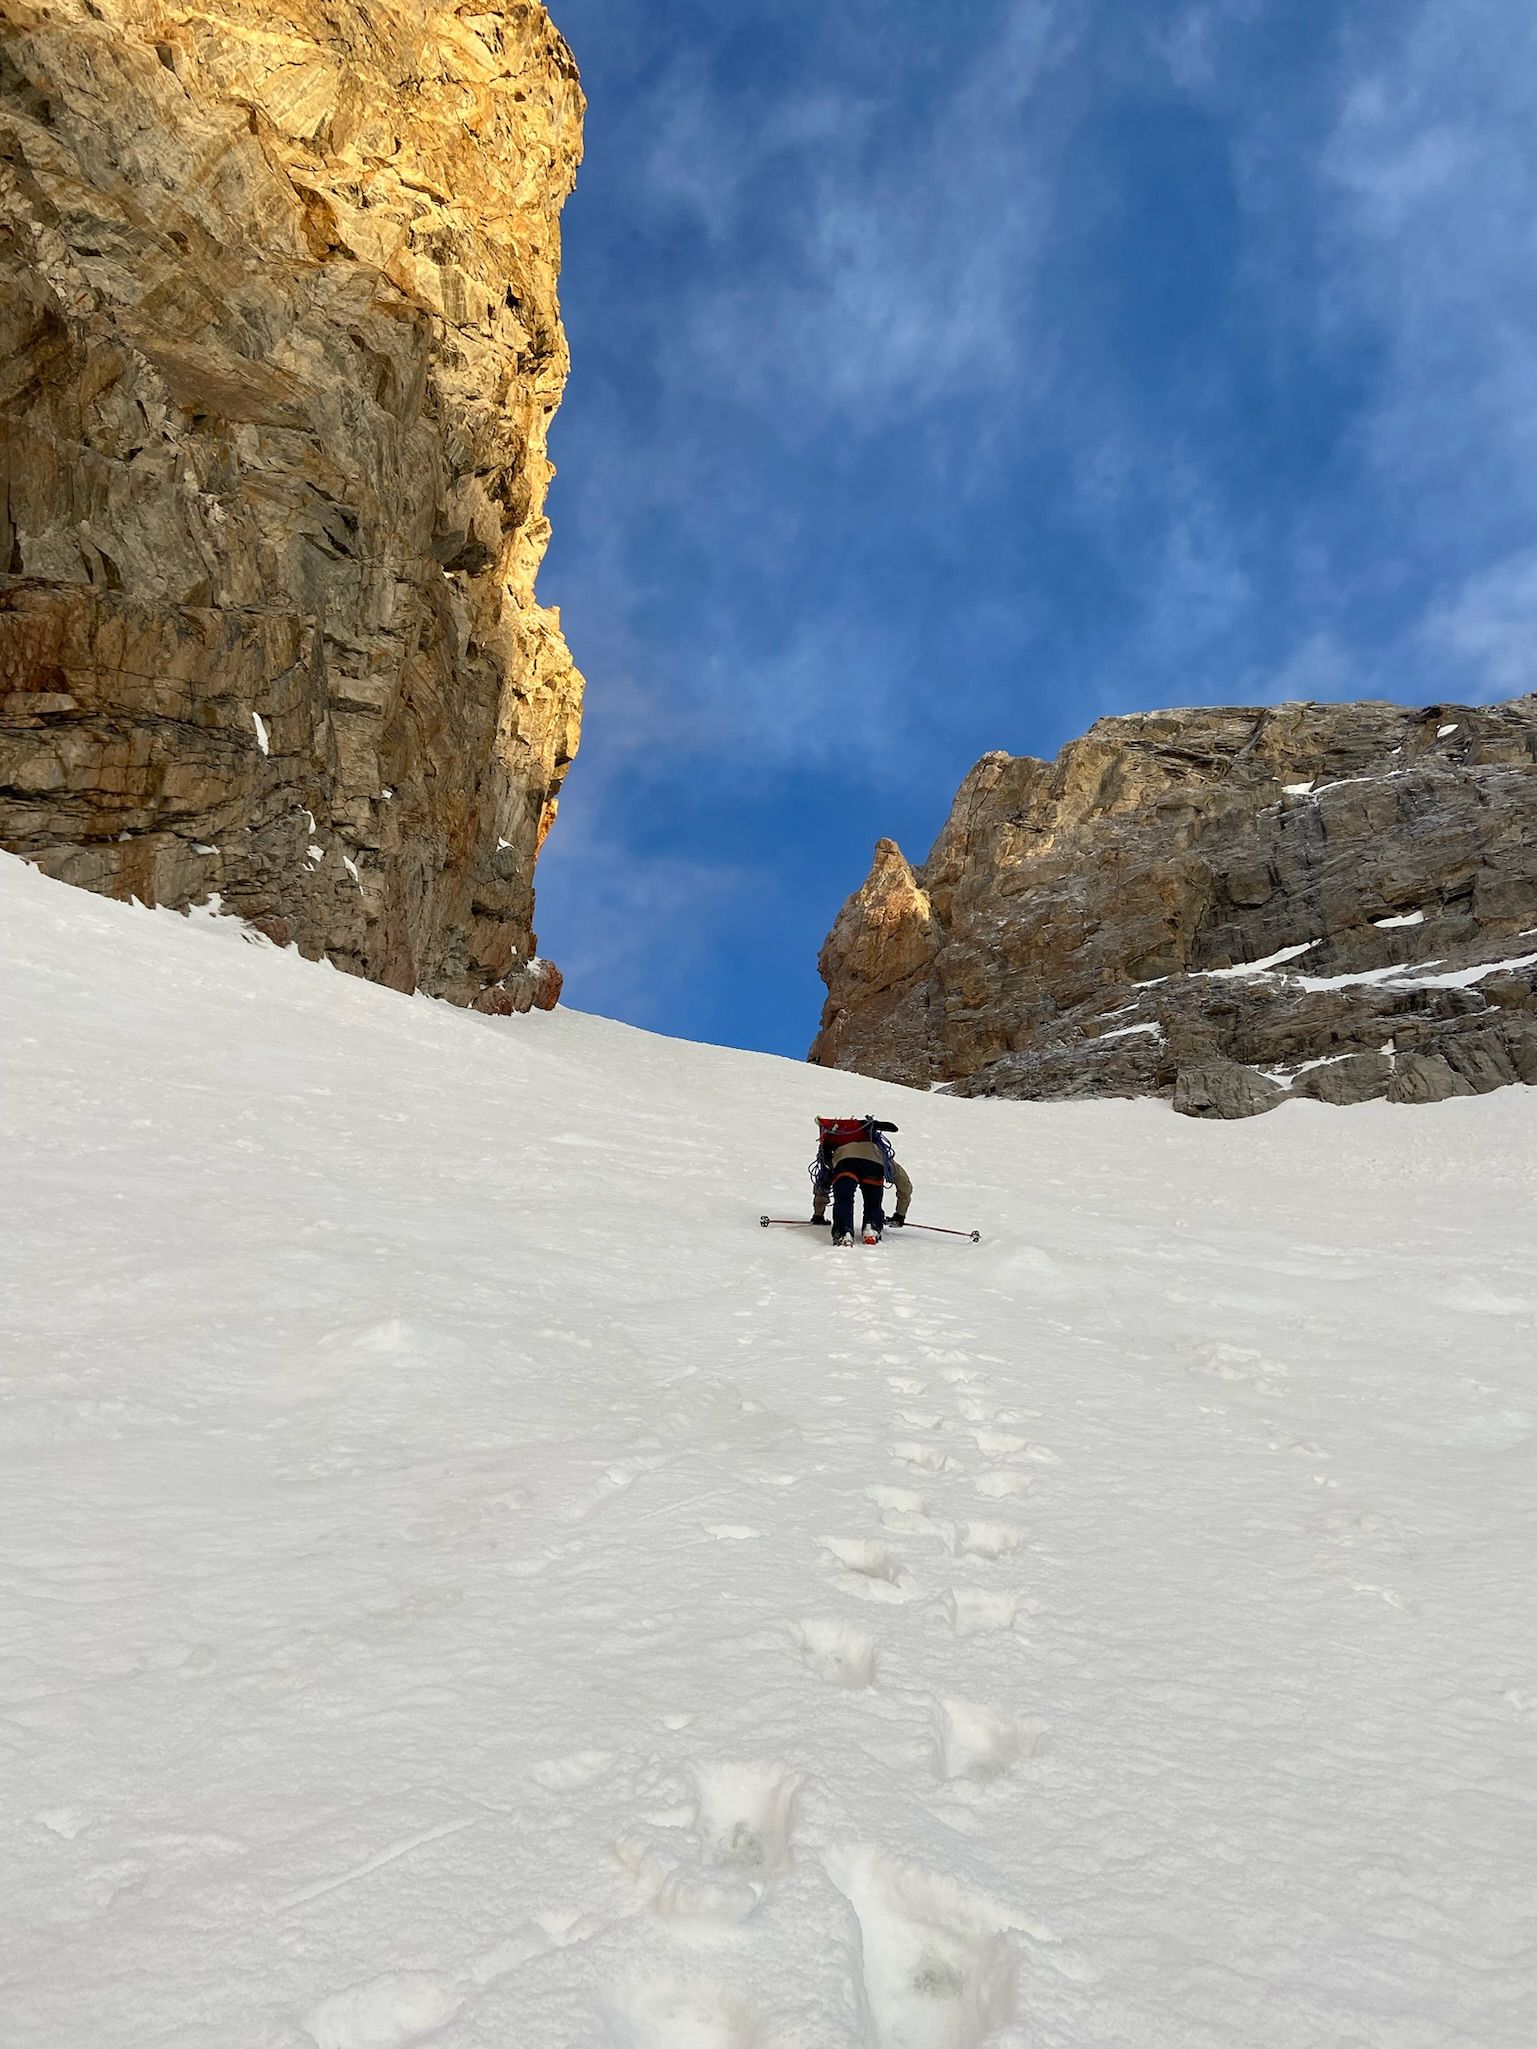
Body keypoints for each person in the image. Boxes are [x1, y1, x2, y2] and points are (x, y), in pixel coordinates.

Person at [811, 1116, 914, 1246]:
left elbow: (822, 1186)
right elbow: (904, 1184)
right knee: (873, 1203)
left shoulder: (833, 1153)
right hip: (874, 1166)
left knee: (843, 1200)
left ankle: (843, 1234)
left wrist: (818, 1215)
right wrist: (900, 1215)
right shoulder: (879, 1152)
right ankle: (871, 1229)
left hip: (845, 1165)